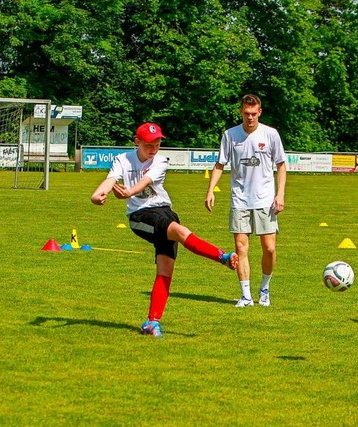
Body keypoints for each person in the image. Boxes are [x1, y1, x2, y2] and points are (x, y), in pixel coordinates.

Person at [91, 122, 238, 338]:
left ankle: (152, 322)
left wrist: (129, 191)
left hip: (165, 212)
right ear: (137, 142)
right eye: (149, 144)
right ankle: (222, 257)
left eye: (158, 143)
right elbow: (110, 180)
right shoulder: (123, 159)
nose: (154, 148)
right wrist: (96, 195)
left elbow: (145, 182)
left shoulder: (160, 161)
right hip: (140, 216)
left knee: (165, 270)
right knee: (180, 231)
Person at [205, 94, 287, 308]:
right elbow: (220, 164)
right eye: (246, 113)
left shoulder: (271, 134)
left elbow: (281, 165)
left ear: (259, 112)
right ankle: (246, 296)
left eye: (254, 113)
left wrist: (280, 194)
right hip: (240, 200)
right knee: (241, 249)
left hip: (265, 200)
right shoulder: (230, 135)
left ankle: (265, 289)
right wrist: (210, 190)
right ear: (241, 112)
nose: (250, 117)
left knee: (269, 248)